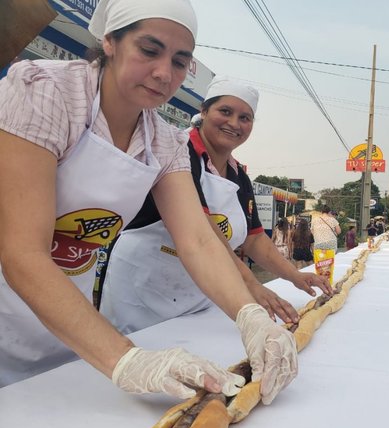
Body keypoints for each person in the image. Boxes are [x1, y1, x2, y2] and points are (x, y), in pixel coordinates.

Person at [0, 0, 296, 406]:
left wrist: (251, 316)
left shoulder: (162, 140)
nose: (163, 74)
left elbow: (198, 240)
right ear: (110, 41)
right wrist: (126, 360)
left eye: (179, 61)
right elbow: (22, 253)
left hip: (68, 323)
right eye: (149, 50)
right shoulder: (47, 93)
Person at [100, 75, 331, 334]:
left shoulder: (239, 176)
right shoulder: (179, 152)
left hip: (196, 291)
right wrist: (248, 283)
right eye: (225, 111)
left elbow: (255, 240)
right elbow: (202, 231)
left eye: (245, 118)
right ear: (204, 111)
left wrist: (294, 276)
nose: (234, 123)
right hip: (142, 285)